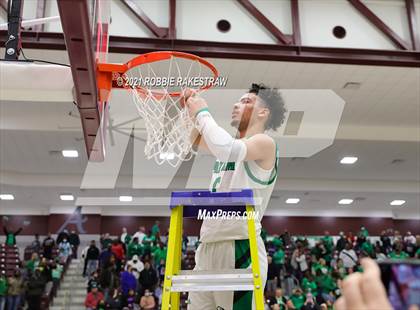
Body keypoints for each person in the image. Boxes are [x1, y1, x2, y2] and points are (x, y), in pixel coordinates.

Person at [184, 83, 286, 310]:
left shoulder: (265, 143)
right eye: (238, 100)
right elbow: (194, 140)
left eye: (246, 101)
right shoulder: (230, 148)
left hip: (240, 246)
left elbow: (225, 147)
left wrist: (202, 112)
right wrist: (189, 108)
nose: (236, 105)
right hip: (207, 245)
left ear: (263, 112)